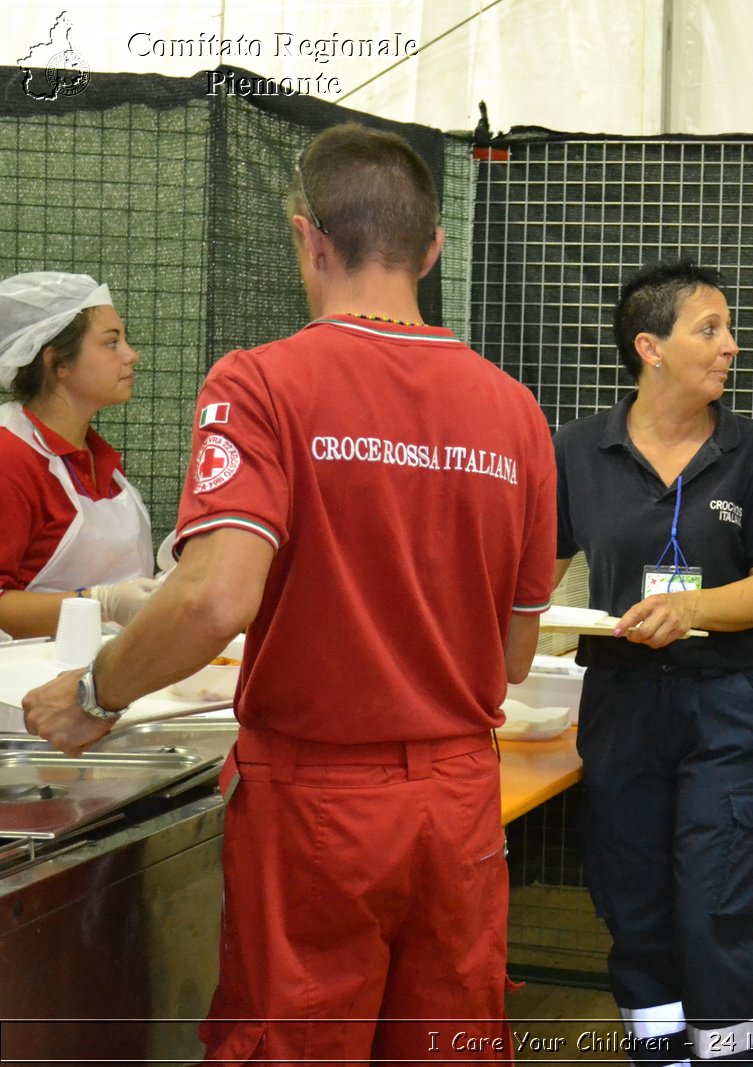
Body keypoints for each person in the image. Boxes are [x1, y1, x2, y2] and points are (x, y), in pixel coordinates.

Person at [24, 123, 558, 1063]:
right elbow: (514, 657)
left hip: (319, 807)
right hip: (459, 802)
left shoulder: (262, 384)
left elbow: (215, 597)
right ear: (432, 249)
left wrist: (97, 691)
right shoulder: (513, 410)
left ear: (307, 236)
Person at [553, 259, 753, 1063]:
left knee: (717, 911)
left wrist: (694, 607)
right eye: (709, 329)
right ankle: (658, 1055)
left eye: (727, 327)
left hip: (725, 705)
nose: (731, 344)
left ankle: (727, 1057)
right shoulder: (577, 452)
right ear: (649, 348)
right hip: (622, 708)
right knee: (636, 908)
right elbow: (533, 575)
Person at [0, 272, 158, 639]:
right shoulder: (11, 458)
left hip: (105, 678)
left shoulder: (98, 460)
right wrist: (100, 603)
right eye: (111, 343)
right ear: (58, 364)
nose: (131, 355)